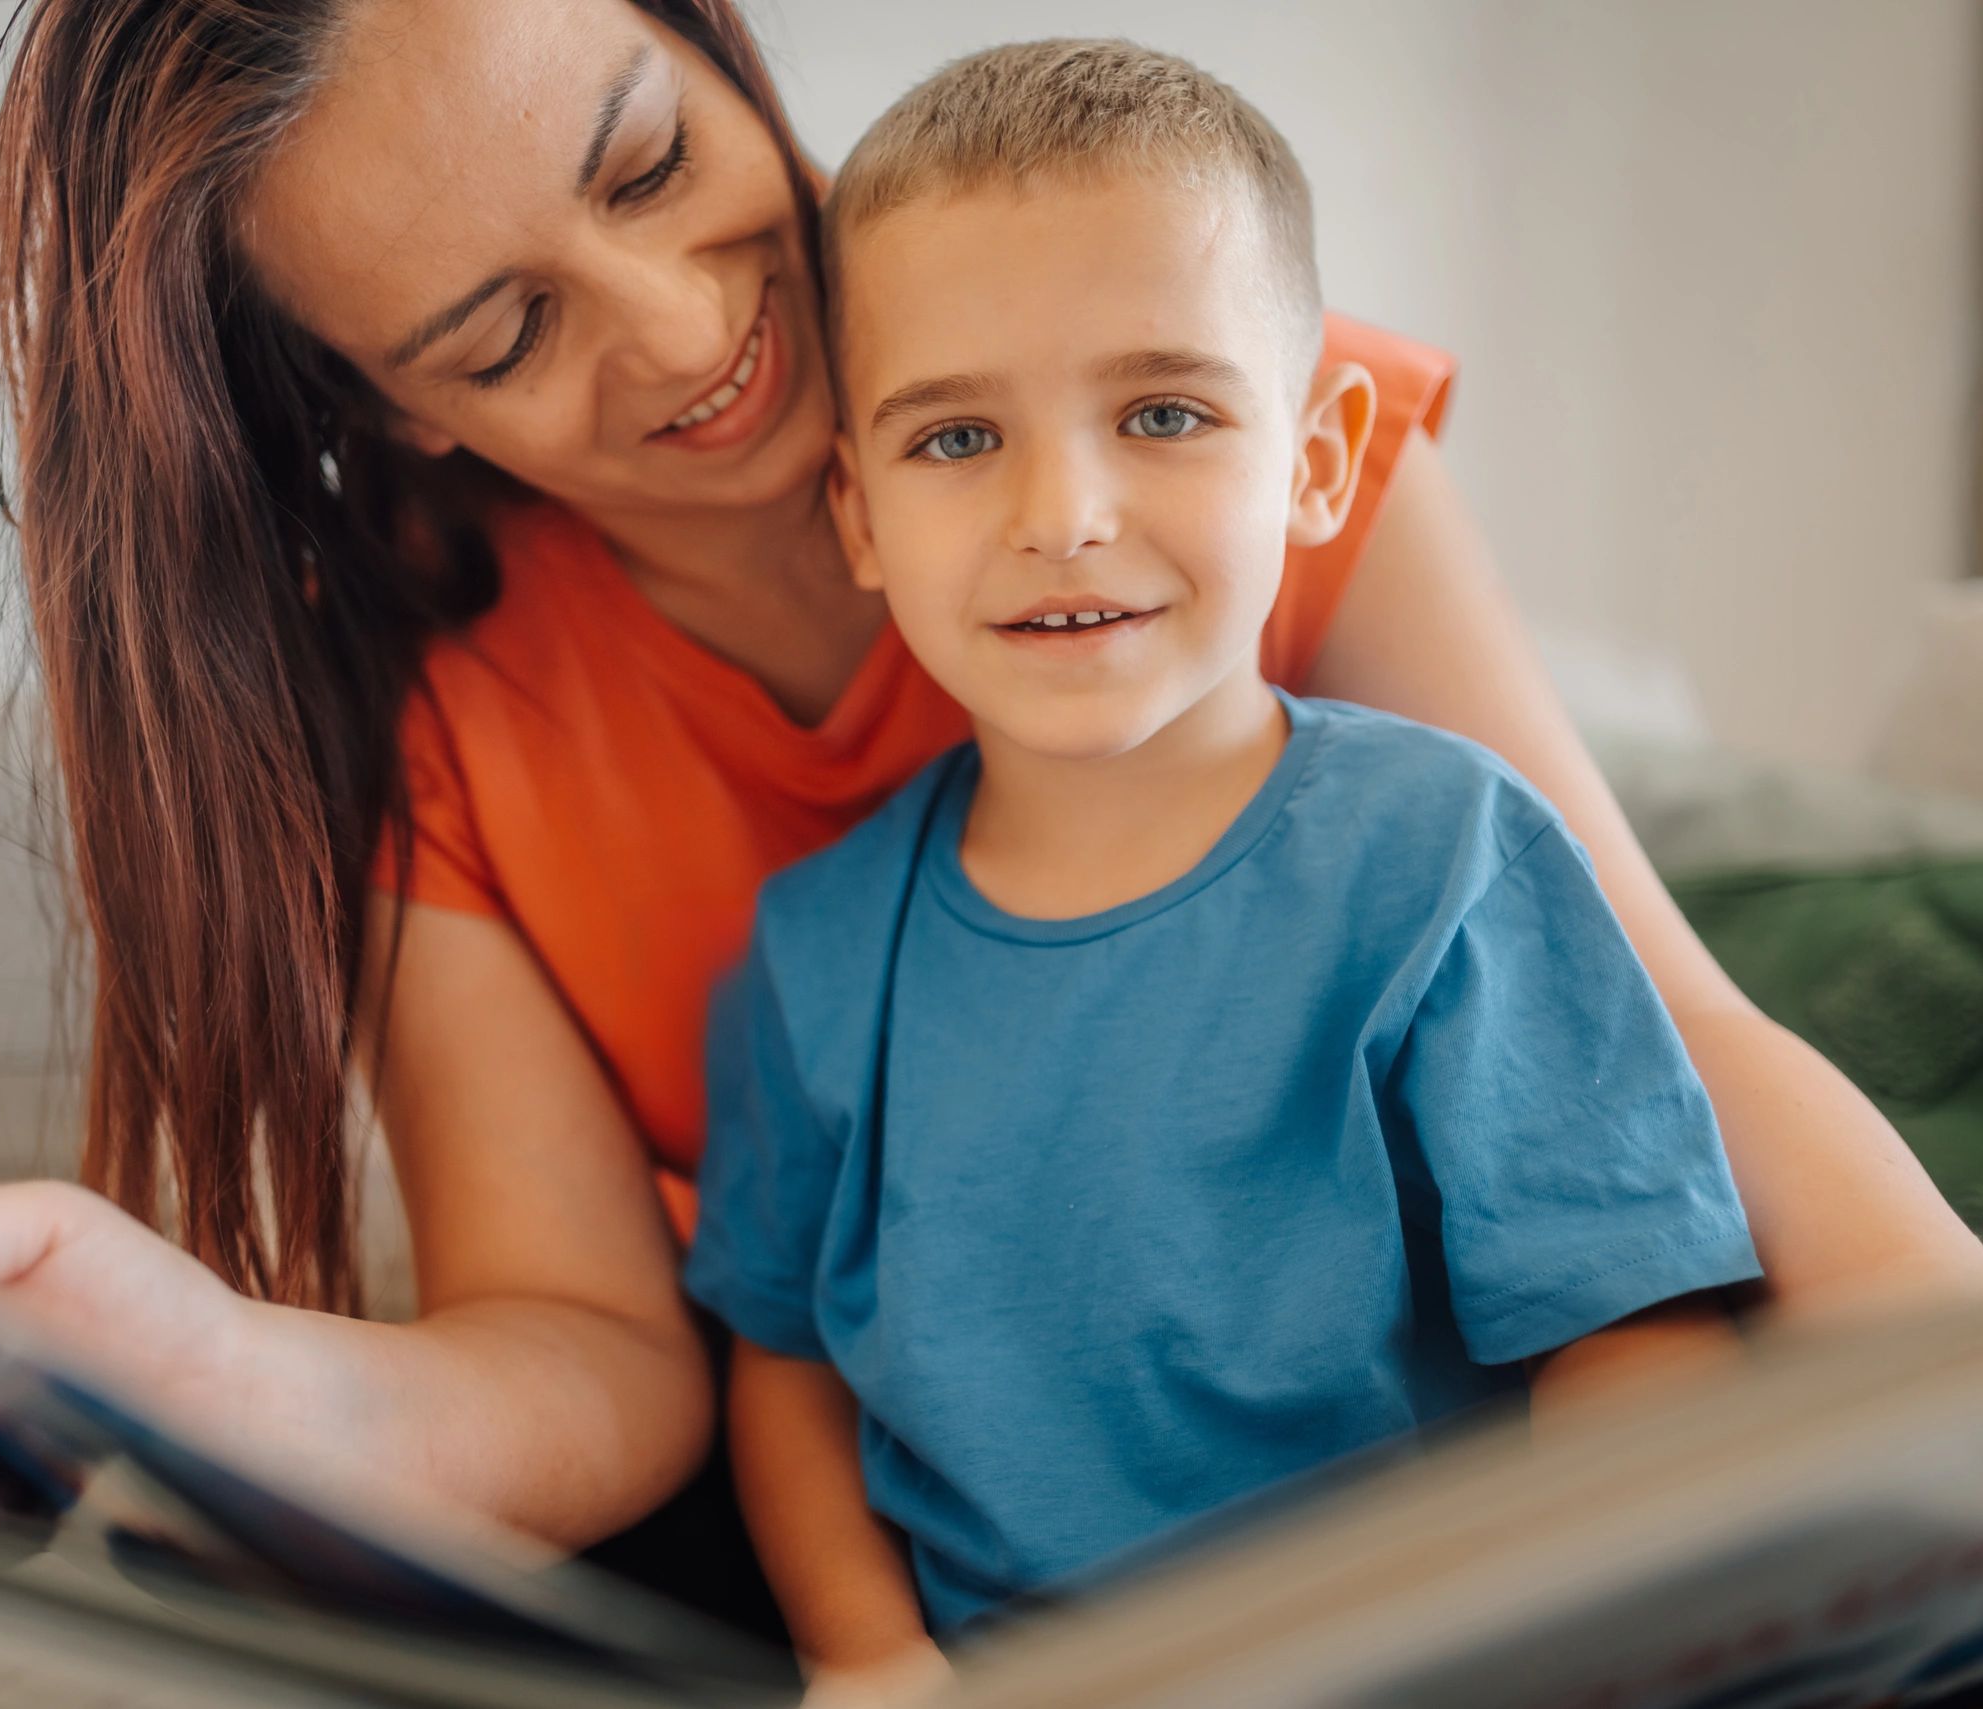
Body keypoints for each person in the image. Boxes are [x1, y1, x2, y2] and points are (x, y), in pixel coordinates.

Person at [0, 0, 1983, 1645]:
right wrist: (162, 1360)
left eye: (649, 158)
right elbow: (592, 1356)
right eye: (498, 336)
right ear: (375, 413)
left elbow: (1656, 1036)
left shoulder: (1205, 407)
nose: (680, 335)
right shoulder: (428, 715)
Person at [684, 41, 1764, 1688]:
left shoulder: (1442, 856)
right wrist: (864, 1648)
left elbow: (1638, 1320)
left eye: (1165, 412)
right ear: (856, 514)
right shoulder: (815, 955)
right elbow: (787, 1369)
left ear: (1322, 457)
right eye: (957, 439)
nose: (1065, 512)